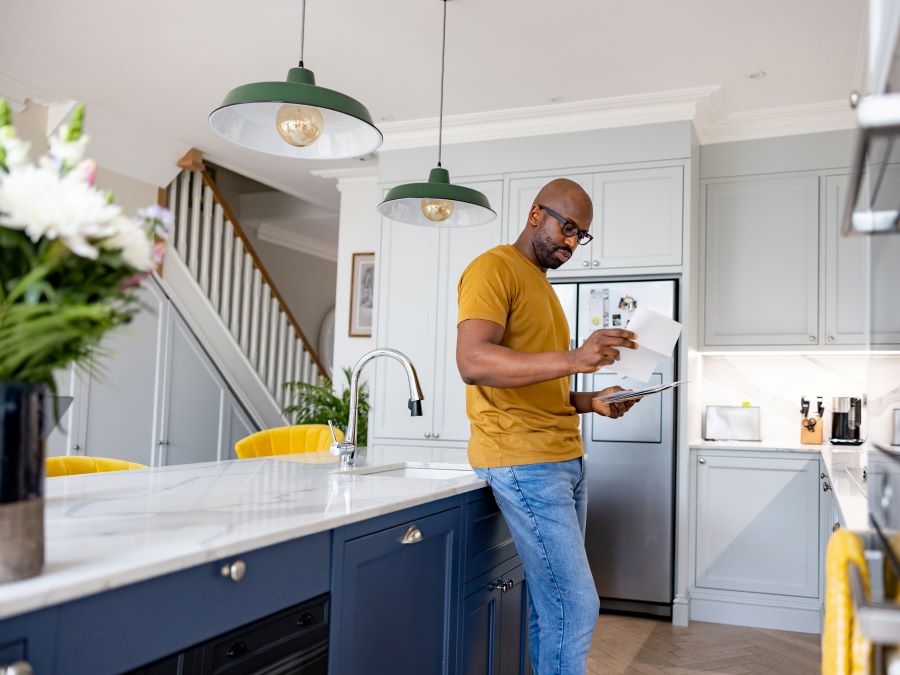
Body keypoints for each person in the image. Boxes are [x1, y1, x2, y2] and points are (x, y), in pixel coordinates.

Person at [456, 178, 640, 675]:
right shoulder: (493, 268)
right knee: (576, 604)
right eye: (568, 228)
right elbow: (473, 361)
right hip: (525, 461)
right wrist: (577, 357)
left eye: (582, 236)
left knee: (553, 605)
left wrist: (588, 401)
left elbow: (538, 383)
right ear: (537, 214)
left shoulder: (539, 284)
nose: (573, 243)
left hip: (563, 460)